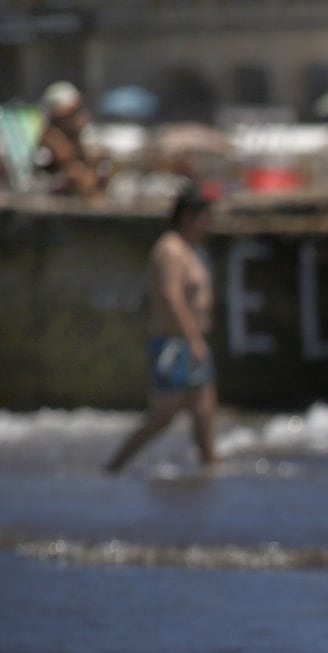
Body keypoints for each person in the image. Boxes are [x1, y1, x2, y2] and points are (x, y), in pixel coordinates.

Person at [106, 187, 218, 475]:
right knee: (162, 417)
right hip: (175, 345)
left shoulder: (194, 251)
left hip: (193, 344)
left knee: (204, 414)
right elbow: (172, 296)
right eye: (204, 217)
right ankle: (113, 467)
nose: (210, 224)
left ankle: (211, 473)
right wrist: (193, 340)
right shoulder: (170, 249)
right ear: (185, 217)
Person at [34, 82, 102, 201]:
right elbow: (65, 158)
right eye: (73, 112)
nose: (78, 116)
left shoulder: (77, 135)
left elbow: (93, 158)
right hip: (49, 190)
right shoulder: (50, 136)